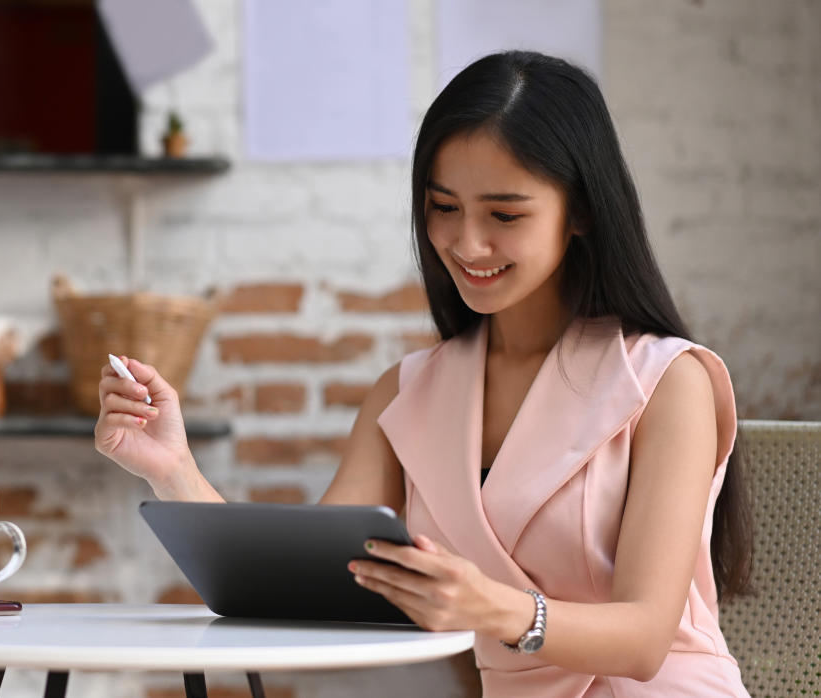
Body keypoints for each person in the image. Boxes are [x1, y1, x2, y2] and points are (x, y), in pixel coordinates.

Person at [93, 50, 752, 697]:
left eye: (505, 215)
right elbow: (308, 589)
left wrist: (492, 609)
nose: (467, 244)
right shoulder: (409, 393)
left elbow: (644, 641)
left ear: (580, 211)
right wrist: (171, 466)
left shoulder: (668, 382)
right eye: (443, 207)